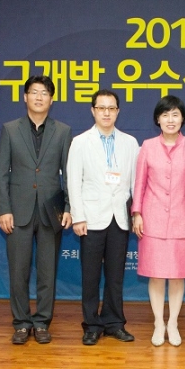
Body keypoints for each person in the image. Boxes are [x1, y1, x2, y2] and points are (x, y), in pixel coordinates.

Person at [0, 75, 72, 345]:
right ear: (25, 97)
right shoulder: (10, 129)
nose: (39, 97)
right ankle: (20, 323)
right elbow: (2, 173)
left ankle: (41, 322)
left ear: (52, 100)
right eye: (34, 92)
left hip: (51, 212)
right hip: (17, 211)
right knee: (18, 271)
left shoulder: (62, 131)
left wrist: (68, 208)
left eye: (44, 93)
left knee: (47, 271)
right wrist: (4, 209)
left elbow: (69, 174)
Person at [67, 89, 139, 346]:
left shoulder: (130, 143)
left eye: (111, 108)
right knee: (90, 275)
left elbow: (135, 184)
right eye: (101, 108)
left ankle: (114, 322)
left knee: (116, 274)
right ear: (93, 110)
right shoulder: (80, 142)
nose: (106, 113)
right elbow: (73, 181)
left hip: (120, 217)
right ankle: (91, 325)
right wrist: (78, 216)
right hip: (91, 217)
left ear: (118, 111)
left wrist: (136, 213)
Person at [131, 96, 185, 347]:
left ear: (183, 118)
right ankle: (157, 323)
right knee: (156, 274)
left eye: (175, 115)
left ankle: (172, 322)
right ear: (158, 119)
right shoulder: (148, 146)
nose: (170, 120)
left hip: (183, 218)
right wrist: (137, 212)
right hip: (152, 219)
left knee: (177, 274)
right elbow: (139, 182)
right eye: (165, 115)